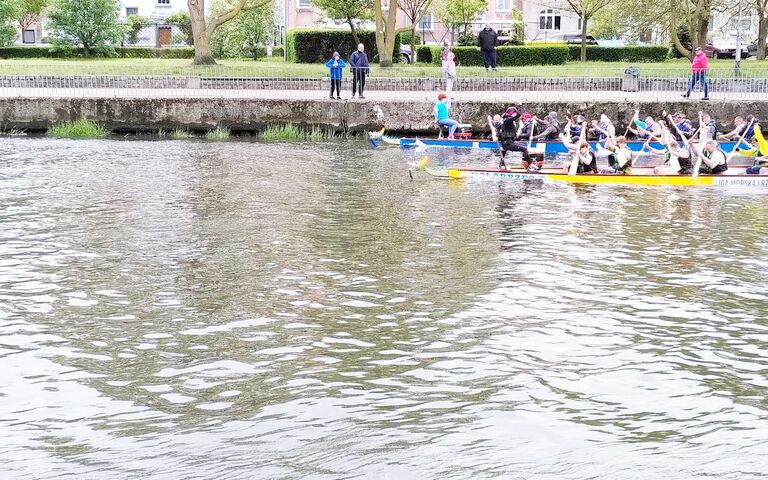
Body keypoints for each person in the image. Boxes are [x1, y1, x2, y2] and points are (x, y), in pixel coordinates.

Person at [497, 106, 538, 171]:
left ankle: (501, 165)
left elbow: (498, 128)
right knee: (524, 150)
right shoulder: (507, 120)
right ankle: (531, 166)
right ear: (511, 113)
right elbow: (518, 114)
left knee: (505, 150)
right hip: (507, 143)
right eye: (514, 113)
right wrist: (517, 108)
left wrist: (517, 138)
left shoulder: (503, 119)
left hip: (507, 142)